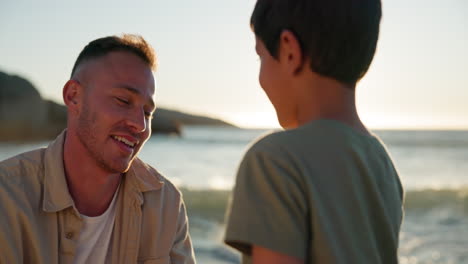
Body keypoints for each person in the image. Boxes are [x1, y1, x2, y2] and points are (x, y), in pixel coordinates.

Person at [224, 0, 404, 263]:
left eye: (260, 56)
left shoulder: (274, 161)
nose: (260, 74)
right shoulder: (382, 163)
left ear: (288, 50)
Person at [0, 34, 195, 264]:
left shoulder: (166, 204)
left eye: (147, 113)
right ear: (73, 97)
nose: (140, 125)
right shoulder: (7, 196)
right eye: (123, 101)